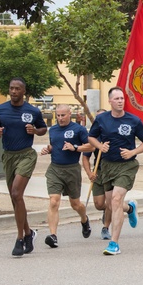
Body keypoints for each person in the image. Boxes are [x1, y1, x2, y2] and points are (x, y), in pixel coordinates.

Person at [87, 87, 143, 255]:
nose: (120, 101)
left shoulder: (134, 120)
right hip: (107, 166)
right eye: (116, 98)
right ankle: (130, 208)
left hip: (126, 165)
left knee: (115, 200)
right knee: (110, 204)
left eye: (122, 98)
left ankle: (114, 243)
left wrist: (133, 152)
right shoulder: (101, 119)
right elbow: (91, 137)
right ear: (109, 101)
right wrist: (100, 146)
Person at [0, 77, 48, 257]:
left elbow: (43, 128)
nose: (13, 91)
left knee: (16, 193)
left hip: (26, 155)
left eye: (17, 89)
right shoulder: (0, 109)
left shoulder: (32, 111)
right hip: (8, 156)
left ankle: (20, 238)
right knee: (15, 198)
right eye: (11, 88)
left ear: (24, 91)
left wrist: (35, 131)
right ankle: (29, 233)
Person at [39, 104, 92, 248]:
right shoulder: (54, 130)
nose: (60, 118)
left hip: (72, 170)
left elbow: (91, 146)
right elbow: (54, 145)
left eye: (63, 115)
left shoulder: (79, 129)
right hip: (55, 169)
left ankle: (84, 219)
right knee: (54, 201)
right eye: (58, 115)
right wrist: (48, 149)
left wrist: (75, 148)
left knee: (75, 204)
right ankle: (53, 236)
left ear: (70, 114)